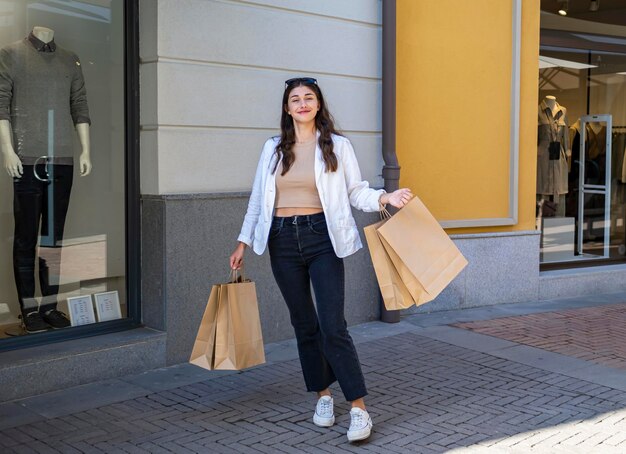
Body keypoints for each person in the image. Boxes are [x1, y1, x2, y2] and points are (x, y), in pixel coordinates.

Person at [230, 77, 412, 442]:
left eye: (308, 98)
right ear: (287, 108)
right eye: (294, 99)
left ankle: (359, 408)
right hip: (281, 240)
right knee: (304, 324)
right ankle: (323, 396)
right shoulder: (272, 149)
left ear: (318, 104)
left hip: (323, 238)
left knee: (333, 325)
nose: (301, 104)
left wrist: (383, 199)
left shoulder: (337, 146)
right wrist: (242, 242)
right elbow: (257, 199)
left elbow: (355, 190)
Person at [0, 26, 91, 333]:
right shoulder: (10, 55)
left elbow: (79, 105)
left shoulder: (70, 60)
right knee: (26, 237)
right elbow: (1, 105)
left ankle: (50, 307)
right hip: (26, 160)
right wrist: (7, 151)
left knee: (53, 239)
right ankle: (28, 310)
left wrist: (85, 151)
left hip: (62, 160)